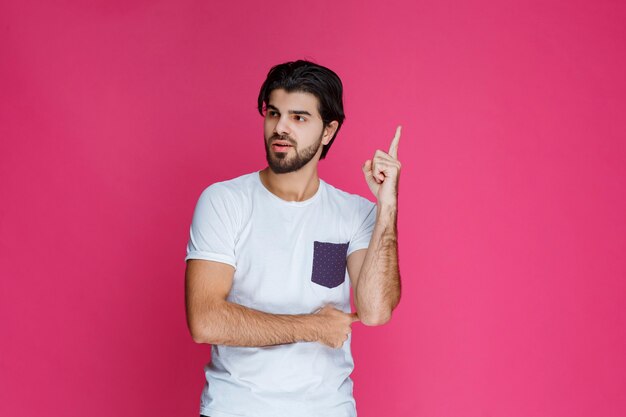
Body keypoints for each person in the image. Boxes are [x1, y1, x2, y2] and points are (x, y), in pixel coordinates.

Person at [184, 59, 402, 417]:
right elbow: (205, 320)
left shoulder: (355, 214)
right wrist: (311, 327)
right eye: (273, 113)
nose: (280, 128)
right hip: (237, 408)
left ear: (328, 131)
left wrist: (387, 206)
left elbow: (376, 312)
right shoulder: (225, 202)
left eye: (299, 118)